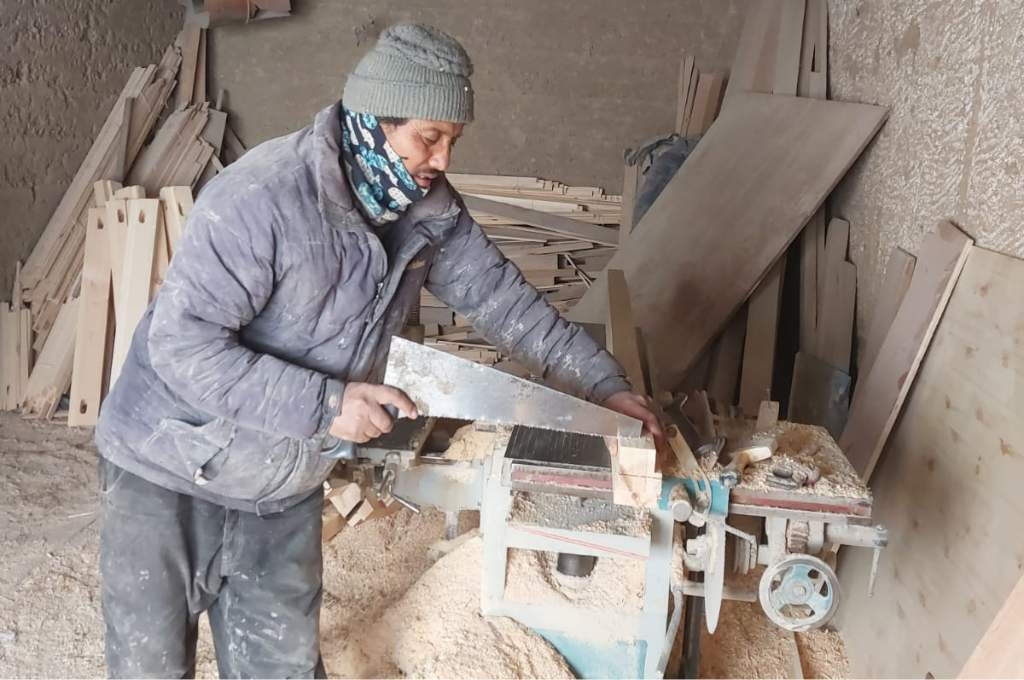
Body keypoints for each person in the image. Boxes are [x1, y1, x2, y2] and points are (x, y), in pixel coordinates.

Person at [94, 22, 662, 678]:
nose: (443, 159)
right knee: (151, 667)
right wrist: (329, 403)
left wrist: (603, 390)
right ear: (373, 122)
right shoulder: (261, 200)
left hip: (283, 483)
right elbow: (182, 347)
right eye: (430, 138)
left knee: (280, 669)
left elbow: (510, 308)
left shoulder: (428, 211)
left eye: (453, 140)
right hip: (171, 467)